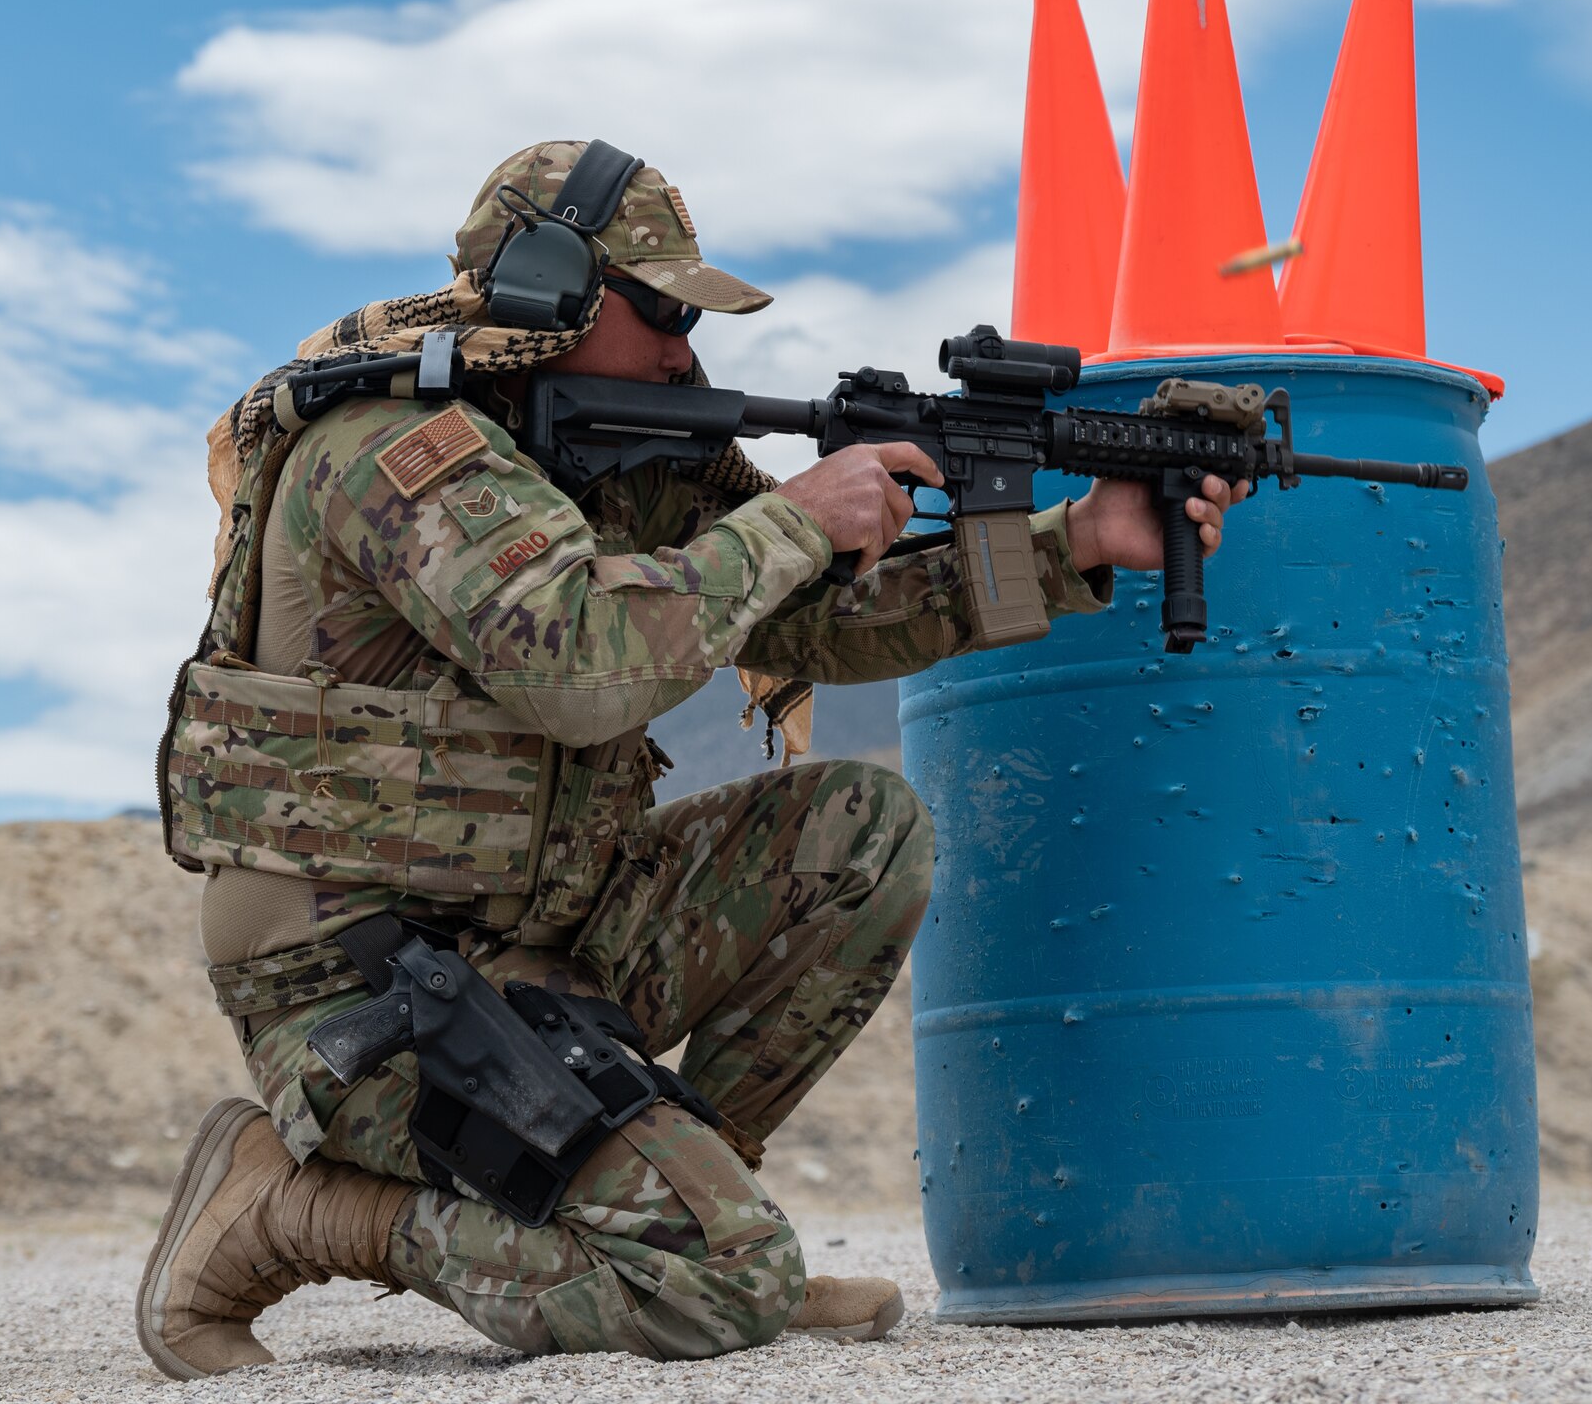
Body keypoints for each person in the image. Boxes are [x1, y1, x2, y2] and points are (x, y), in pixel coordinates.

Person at [137, 141, 1249, 1378]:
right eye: (660, 307)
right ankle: (294, 1206)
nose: (684, 349)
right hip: (369, 993)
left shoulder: (609, 457)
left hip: (543, 944)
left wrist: (1077, 537)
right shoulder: (395, 453)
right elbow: (574, 665)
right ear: (546, 286)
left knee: (860, 829)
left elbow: (806, 622)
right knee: (719, 1293)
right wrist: (791, 518)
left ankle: (705, 1202)